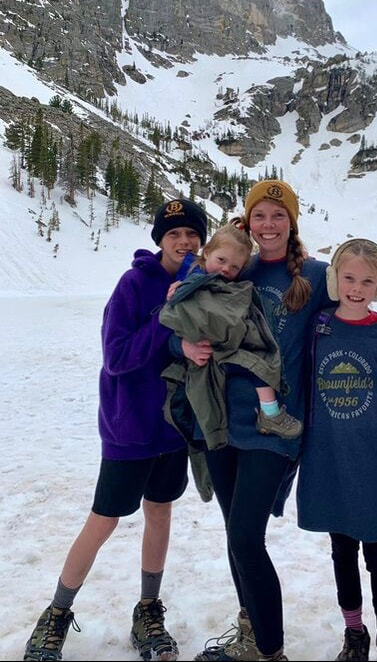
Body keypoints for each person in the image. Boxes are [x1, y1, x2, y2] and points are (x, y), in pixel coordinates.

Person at [23, 198, 209, 662]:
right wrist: (165, 328)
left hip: (173, 430)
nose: (183, 243)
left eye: (192, 235)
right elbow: (118, 357)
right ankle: (56, 614)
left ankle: (148, 610)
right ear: (159, 241)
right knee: (104, 519)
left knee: (160, 514)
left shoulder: (202, 285)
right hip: (129, 427)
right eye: (174, 235)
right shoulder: (134, 284)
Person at [176, 180, 333, 662]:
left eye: (278, 215)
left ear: (292, 222)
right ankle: (252, 630)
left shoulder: (316, 276)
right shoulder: (230, 266)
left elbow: (356, 320)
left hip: (274, 425)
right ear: (248, 221)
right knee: (235, 535)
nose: (269, 225)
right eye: (260, 215)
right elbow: (179, 318)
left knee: (246, 535)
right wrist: (179, 345)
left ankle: (269, 650)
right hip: (220, 421)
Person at [296, 238, 377, 662]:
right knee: (341, 553)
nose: (357, 288)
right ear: (335, 278)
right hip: (331, 467)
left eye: (367, 281)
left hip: (374, 472)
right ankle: (355, 633)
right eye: (349, 278)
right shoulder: (317, 328)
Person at [162, 221, 303, 442]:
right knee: (257, 366)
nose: (226, 269)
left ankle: (269, 413)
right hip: (212, 352)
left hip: (217, 351)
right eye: (221, 260)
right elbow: (173, 320)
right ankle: (271, 413)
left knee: (257, 364)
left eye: (235, 267)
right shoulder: (193, 283)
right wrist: (183, 344)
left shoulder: (221, 284)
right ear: (206, 252)